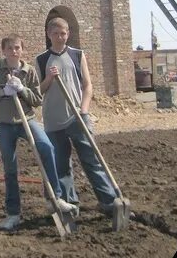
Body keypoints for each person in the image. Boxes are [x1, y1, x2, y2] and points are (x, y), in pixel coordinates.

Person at [0, 34, 78, 231]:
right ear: (3, 51)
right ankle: (13, 213)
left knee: (46, 147)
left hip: (28, 120)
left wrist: (22, 89)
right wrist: (3, 93)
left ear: (22, 50)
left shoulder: (29, 71)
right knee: (10, 167)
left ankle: (54, 198)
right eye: (9, 48)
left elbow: (37, 99)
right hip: (5, 124)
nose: (13, 51)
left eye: (17, 48)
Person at [36, 17, 118, 215]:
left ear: (68, 34)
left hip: (77, 117)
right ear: (49, 34)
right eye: (55, 34)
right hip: (53, 120)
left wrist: (84, 109)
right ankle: (70, 204)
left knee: (92, 160)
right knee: (61, 165)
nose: (59, 37)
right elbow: (38, 91)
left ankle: (109, 202)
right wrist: (49, 78)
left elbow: (87, 85)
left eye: (63, 33)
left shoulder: (77, 55)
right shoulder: (41, 59)